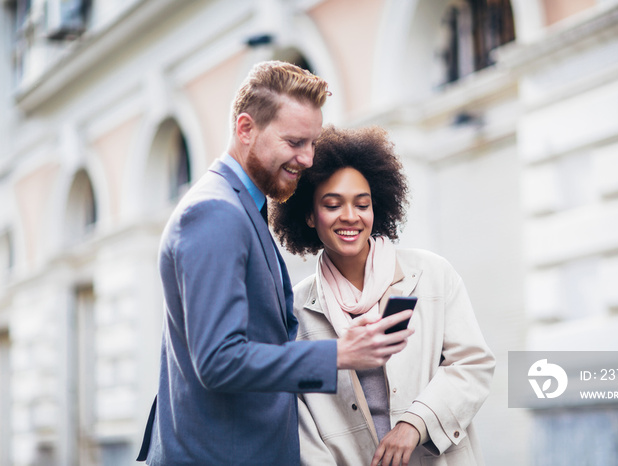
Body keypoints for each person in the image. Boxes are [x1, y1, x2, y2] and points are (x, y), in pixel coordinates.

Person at [136, 62, 414, 466]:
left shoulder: (240, 207)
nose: (307, 159)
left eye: (312, 143)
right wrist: (338, 354)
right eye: (295, 142)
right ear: (246, 128)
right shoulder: (216, 212)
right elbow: (218, 361)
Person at [271, 125, 496, 466]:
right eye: (333, 205)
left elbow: (473, 365)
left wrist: (415, 423)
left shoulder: (432, 275)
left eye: (362, 204)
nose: (350, 216)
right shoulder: (295, 310)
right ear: (308, 215)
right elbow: (296, 415)